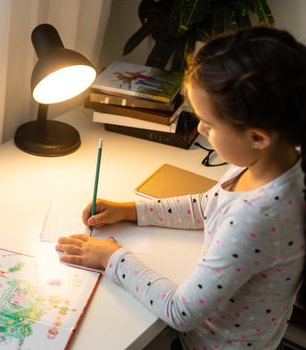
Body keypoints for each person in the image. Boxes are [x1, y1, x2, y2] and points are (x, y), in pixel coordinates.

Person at [56, 26, 306, 349]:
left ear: (257, 136)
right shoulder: (264, 161)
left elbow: (180, 311)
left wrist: (112, 257)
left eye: (210, 124)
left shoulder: (258, 216)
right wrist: (130, 211)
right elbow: (208, 205)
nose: (200, 128)